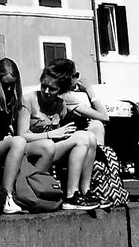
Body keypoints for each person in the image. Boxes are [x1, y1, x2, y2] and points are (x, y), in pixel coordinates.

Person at [0, 58, 53, 214]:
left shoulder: (11, 98)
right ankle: (6, 195)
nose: (8, 88)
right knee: (19, 142)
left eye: (12, 84)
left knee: (42, 147)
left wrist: (8, 131)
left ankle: (27, 191)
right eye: (5, 84)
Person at [19, 67, 107, 210]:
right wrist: (51, 134)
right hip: (31, 150)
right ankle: (71, 195)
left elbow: (102, 118)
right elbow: (21, 135)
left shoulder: (61, 105)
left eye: (52, 89)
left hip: (50, 150)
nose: (46, 91)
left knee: (89, 136)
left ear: (60, 90)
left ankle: (85, 191)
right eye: (43, 86)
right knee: (80, 139)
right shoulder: (28, 100)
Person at [48, 58, 108, 145]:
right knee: (97, 125)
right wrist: (89, 90)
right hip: (59, 139)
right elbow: (104, 117)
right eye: (76, 75)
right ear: (70, 78)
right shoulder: (65, 96)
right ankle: (99, 156)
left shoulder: (55, 93)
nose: (78, 78)